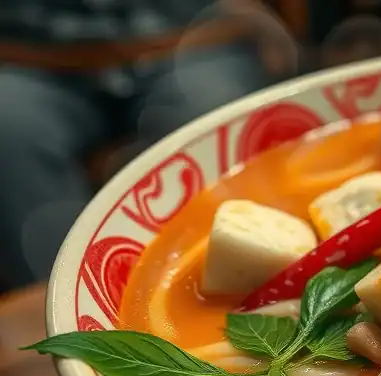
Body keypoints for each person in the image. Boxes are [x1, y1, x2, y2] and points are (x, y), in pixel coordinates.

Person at [0, 0, 278, 292]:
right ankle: (67, 302)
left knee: (211, 121)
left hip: (192, 39)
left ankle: (236, 293)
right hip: (28, 57)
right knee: (9, 130)